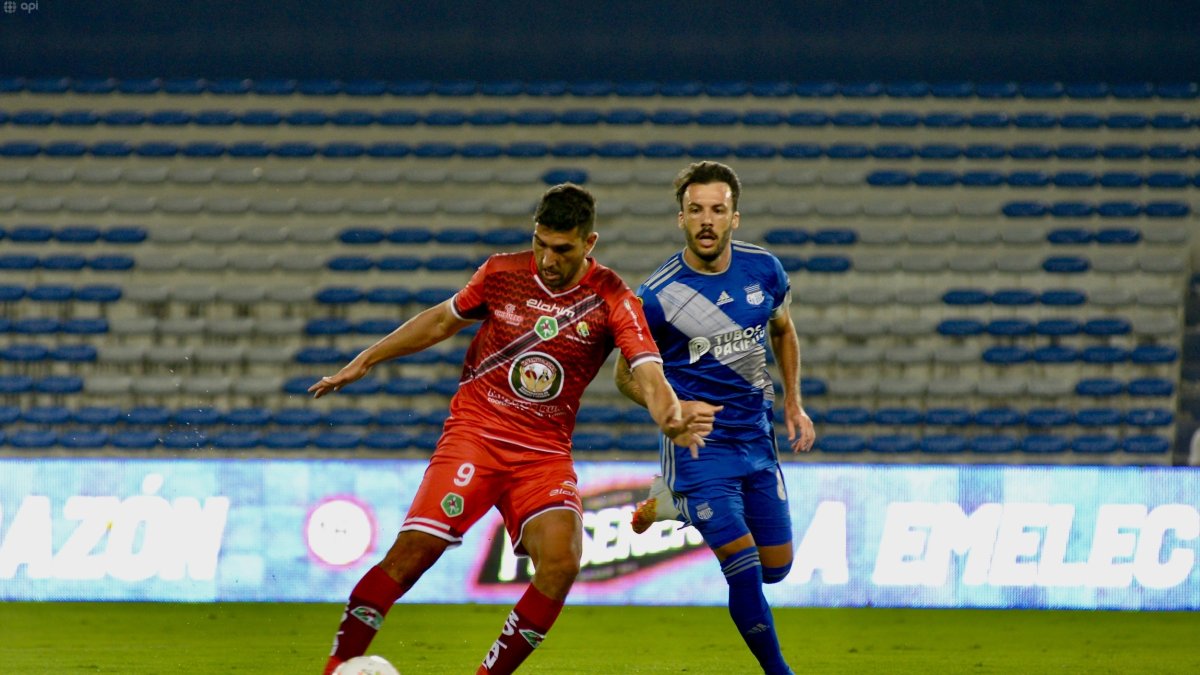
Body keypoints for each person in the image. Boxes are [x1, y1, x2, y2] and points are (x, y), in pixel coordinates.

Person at [310, 183, 719, 675]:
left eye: (562, 249)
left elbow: (649, 374)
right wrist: (366, 359)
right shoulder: (501, 272)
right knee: (414, 552)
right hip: (476, 433)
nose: (547, 258)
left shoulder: (613, 299)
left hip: (542, 453)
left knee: (563, 560)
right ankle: (338, 666)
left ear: (589, 244)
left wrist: (671, 417)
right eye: (541, 243)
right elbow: (441, 321)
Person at [614, 162, 816, 675]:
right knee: (744, 573)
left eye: (718, 210)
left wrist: (793, 401)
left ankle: (674, 506)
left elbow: (784, 331)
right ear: (680, 218)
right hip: (698, 450)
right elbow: (623, 376)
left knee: (777, 569)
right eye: (696, 210)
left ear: (735, 218)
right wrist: (673, 413)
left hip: (756, 442)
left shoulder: (765, 271)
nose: (707, 220)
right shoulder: (655, 297)